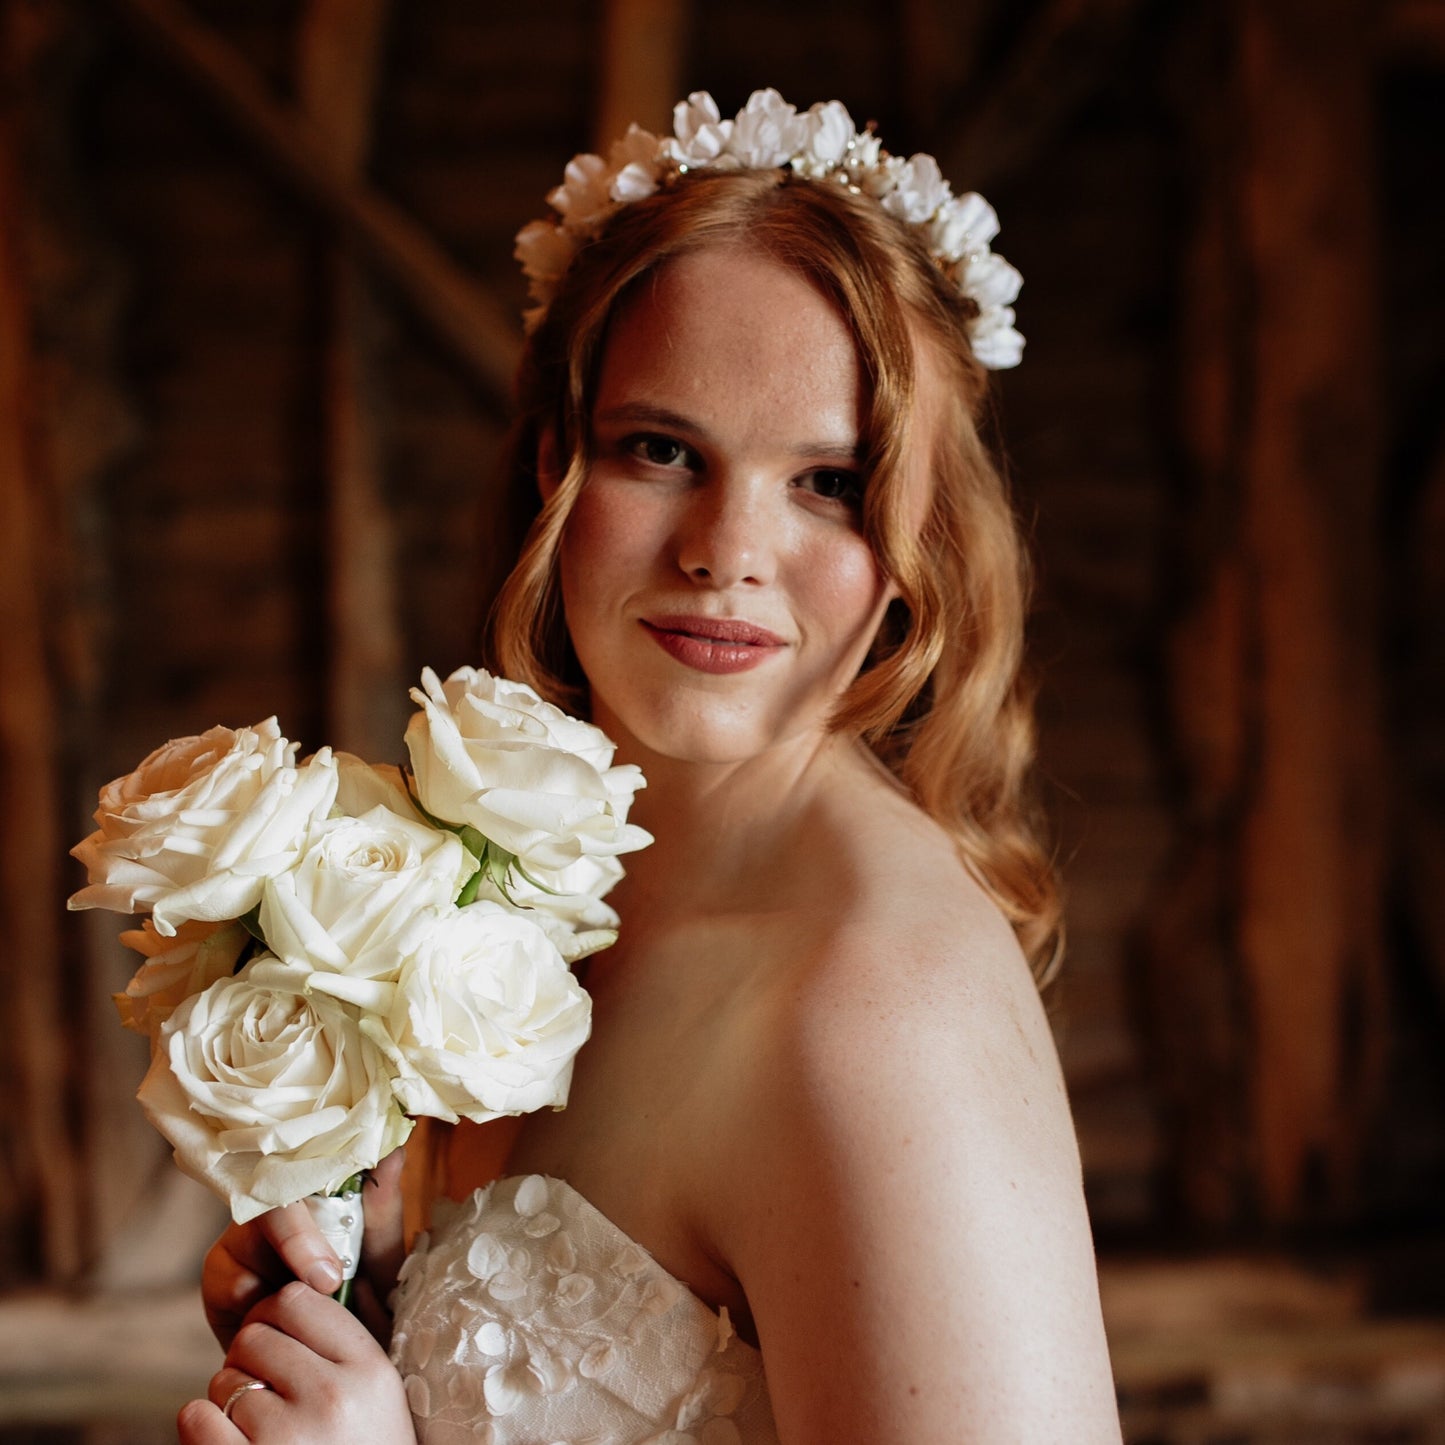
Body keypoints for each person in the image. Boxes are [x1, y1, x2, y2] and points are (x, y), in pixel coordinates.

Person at [178, 90, 1122, 1443]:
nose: (725, 550)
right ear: (560, 463)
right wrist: (372, 1300)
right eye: (663, 449)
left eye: (828, 480)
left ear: (921, 532)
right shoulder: (526, 903)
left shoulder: (875, 1013)